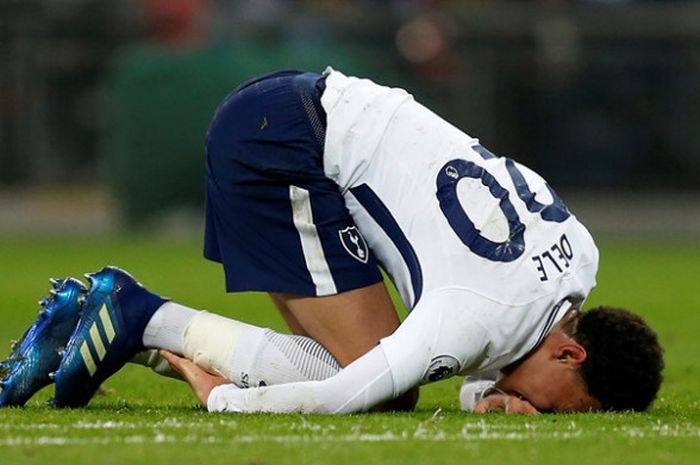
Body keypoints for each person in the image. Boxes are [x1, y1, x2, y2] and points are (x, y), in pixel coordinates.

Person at [0, 68, 663, 414]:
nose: (538, 409)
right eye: (555, 406)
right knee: (376, 385)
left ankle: (129, 321)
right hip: (283, 142)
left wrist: (483, 394)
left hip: (318, 115)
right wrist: (225, 398)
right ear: (572, 350)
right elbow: (340, 395)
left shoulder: (580, 251)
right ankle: (139, 317)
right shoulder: (472, 311)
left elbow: (506, 340)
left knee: (376, 367)